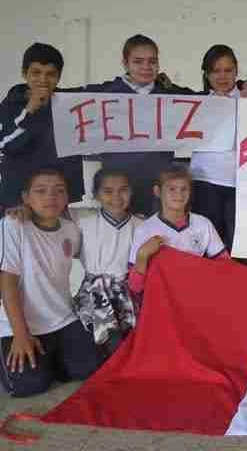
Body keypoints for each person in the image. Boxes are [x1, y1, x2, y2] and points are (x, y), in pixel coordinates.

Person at [0, 169, 98, 396]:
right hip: (19, 325)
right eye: (40, 191)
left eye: (59, 191)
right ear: (26, 197)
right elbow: (7, 283)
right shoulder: (13, 225)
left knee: (88, 367)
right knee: (28, 386)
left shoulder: (71, 229)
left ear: (67, 197)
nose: (50, 197)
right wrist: (21, 335)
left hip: (61, 319)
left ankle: (50, 358)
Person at [83, 34, 195, 216]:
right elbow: (59, 97)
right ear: (125, 64)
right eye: (138, 61)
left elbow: (213, 99)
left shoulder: (171, 94)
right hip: (119, 188)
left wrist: (240, 86)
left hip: (158, 186)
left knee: (157, 240)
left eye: (152, 61)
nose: (146, 67)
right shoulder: (104, 93)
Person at [0, 43, 84, 213]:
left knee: (58, 239)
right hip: (18, 201)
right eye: (36, 72)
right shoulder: (8, 106)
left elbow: (107, 93)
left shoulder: (71, 102)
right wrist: (29, 111)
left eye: (50, 74)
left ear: (59, 77)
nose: (43, 80)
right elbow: (6, 146)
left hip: (57, 198)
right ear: (25, 74)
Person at [128, 164, 229, 301]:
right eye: (172, 189)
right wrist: (142, 255)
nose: (179, 194)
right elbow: (135, 287)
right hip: (162, 302)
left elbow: (225, 267)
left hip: (196, 298)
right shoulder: (145, 229)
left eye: (184, 189)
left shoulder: (203, 224)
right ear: (157, 191)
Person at [190, 44, 247, 250]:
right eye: (216, 71)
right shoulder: (196, 101)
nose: (222, 76)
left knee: (239, 245)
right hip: (205, 181)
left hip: (241, 182)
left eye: (228, 70)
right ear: (207, 74)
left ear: (237, 71)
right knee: (208, 245)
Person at [72, 168, 142, 359]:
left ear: (131, 192)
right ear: (96, 195)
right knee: (105, 348)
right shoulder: (83, 224)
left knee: (132, 345)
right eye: (108, 191)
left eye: (123, 190)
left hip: (129, 293)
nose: (117, 197)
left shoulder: (141, 225)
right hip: (94, 293)